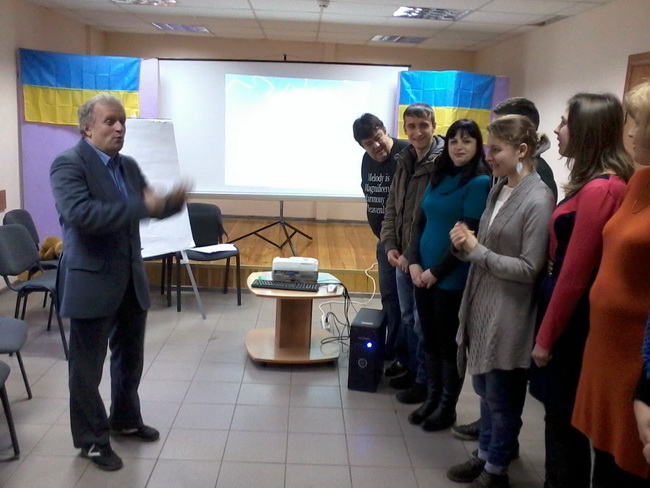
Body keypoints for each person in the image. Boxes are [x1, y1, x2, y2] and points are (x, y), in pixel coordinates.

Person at [50, 94, 190, 471]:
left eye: (122, 121)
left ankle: (125, 420)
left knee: (129, 360)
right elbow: (82, 215)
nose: (119, 128)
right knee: (86, 369)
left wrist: (171, 202)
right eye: (110, 121)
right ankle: (92, 441)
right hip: (91, 281)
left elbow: (147, 206)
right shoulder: (68, 164)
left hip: (130, 279)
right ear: (87, 128)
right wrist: (144, 205)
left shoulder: (127, 166)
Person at [528, 93, 633, 488]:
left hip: (572, 321)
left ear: (587, 130)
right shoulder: (594, 183)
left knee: (562, 420)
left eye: (564, 122)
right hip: (566, 308)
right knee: (560, 418)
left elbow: (573, 275)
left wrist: (545, 337)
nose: (556, 130)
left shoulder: (600, 190)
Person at [447, 115, 554, 488]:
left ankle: (496, 470)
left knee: (502, 398)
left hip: (509, 314)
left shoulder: (538, 198)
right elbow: (488, 245)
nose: (488, 156)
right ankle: (485, 454)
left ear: (521, 150)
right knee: (484, 391)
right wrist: (465, 242)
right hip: (483, 305)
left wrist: (476, 250)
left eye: (496, 149)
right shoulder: (499, 187)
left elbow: (528, 268)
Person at [573, 80, 650, 486]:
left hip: (637, 357)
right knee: (603, 460)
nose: (631, 132)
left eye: (638, 121)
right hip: (605, 347)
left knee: (628, 465)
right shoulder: (639, 181)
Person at [405, 119, 490, 431]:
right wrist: (414, 263)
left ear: (477, 146)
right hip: (422, 273)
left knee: (446, 343)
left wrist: (435, 272)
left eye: (467, 141)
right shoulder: (439, 174)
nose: (459, 147)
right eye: (454, 140)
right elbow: (420, 222)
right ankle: (432, 398)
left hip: (450, 278)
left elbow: (468, 238)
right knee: (428, 338)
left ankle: (446, 406)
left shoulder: (479, 182)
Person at [380, 102, 444, 400]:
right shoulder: (404, 160)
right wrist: (390, 245)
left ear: (433, 126)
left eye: (423, 125)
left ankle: (423, 381)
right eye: (412, 126)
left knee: (421, 322)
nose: (417, 132)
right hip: (401, 257)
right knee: (407, 317)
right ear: (404, 129)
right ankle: (409, 366)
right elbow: (392, 207)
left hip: (423, 260)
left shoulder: (442, 164)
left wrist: (411, 253)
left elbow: (431, 218)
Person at [353, 113, 409, 370]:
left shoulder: (407, 153)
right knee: (389, 298)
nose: (376, 146)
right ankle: (391, 347)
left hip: (405, 245)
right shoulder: (367, 160)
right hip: (384, 243)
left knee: (406, 304)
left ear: (385, 131)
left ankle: (404, 356)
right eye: (368, 144)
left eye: (378, 138)